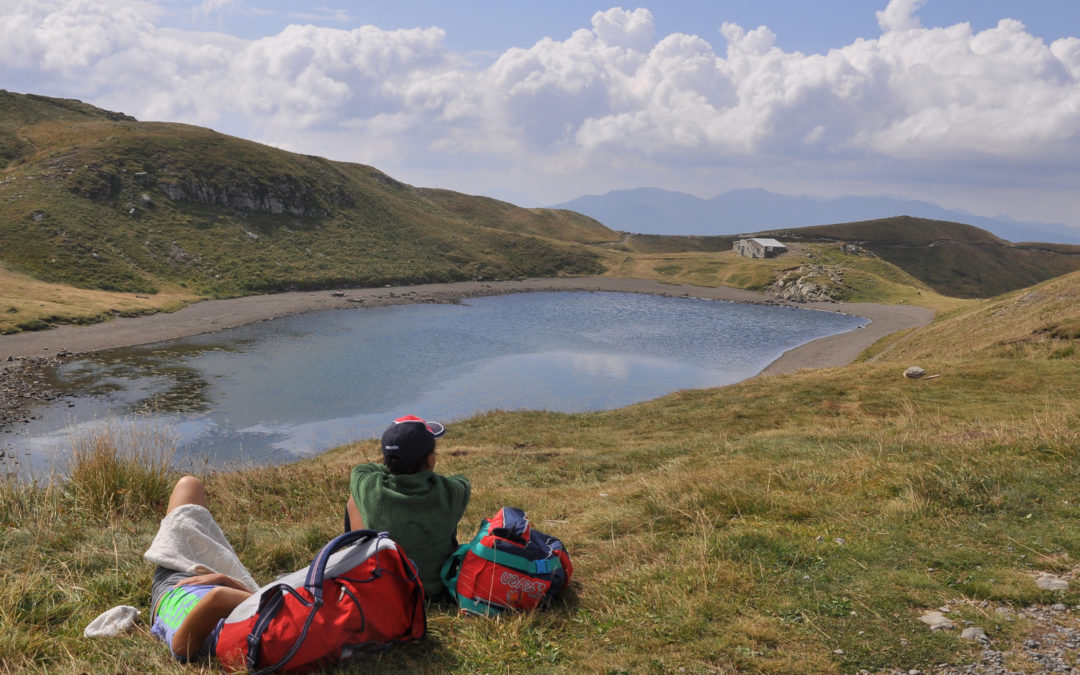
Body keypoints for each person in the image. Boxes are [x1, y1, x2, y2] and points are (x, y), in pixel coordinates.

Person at [345, 415, 470, 599]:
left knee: (354, 498)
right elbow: (462, 481)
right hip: (435, 591)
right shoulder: (450, 491)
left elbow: (360, 470)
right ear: (430, 459)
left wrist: (395, 467)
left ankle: (358, 561)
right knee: (449, 510)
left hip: (389, 591)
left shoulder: (371, 488)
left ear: (387, 460)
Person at [145, 476, 258, 663]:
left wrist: (222, 579)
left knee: (189, 484)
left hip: (172, 582)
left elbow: (218, 598)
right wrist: (222, 578)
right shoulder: (252, 622)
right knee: (190, 487)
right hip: (212, 579)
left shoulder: (188, 644)